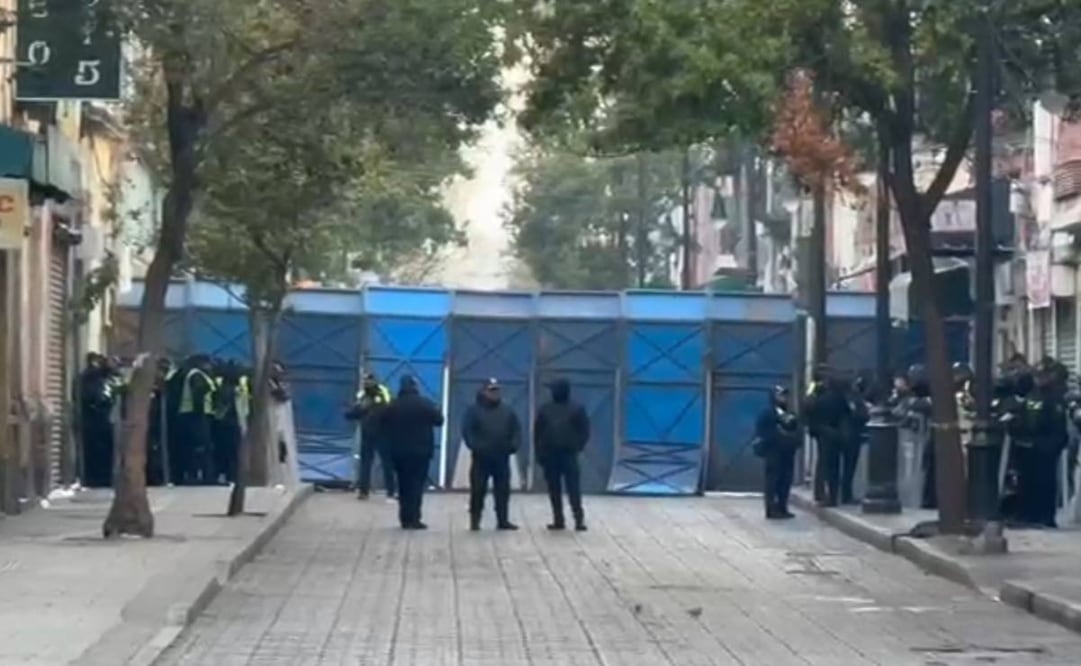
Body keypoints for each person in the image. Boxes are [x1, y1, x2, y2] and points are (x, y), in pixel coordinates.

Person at [381, 375, 444, 529]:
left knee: (403, 484)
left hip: (399, 452)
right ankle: (415, 518)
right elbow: (439, 420)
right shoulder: (425, 404)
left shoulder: (393, 405)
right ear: (415, 386)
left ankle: (404, 518)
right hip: (421, 452)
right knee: (417, 485)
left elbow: (381, 423)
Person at [462, 378, 522, 531]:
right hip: (481, 458)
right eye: (491, 390)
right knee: (478, 490)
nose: (495, 393)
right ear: (484, 391)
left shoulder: (507, 410)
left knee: (503, 491)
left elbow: (516, 430)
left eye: (497, 390)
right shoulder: (474, 410)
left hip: (502, 457)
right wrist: (476, 446)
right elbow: (468, 431)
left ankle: (503, 520)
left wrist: (513, 445)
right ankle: (475, 520)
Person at [534, 377, 590, 531]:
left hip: (568, 454)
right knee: (554, 488)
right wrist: (540, 453)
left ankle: (578, 518)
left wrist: (577, 446)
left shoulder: (576, 409)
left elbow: (584, 431)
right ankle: (558, 519)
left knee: (573, 488)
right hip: (550, 454)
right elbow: (538, 433)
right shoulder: (545, 409)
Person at [346, 372, 395, 500]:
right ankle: (364, 491)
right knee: (367, 462)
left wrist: (365, 411)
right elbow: (355, 410)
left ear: (375, 381)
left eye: (369, 381)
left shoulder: (383, 392)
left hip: (382, 432)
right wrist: (353, 412)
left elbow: (390, 409)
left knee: (385, 462)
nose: (367, 383)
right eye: (365, 381)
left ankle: (390, 491)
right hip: (369, 432)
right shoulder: (363, 394)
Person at [754, 385, 801, 519]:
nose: (784, 398)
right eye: (780, 395)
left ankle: (782, 507)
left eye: (785, 395)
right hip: (773, 453)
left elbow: (796, 429)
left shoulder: (789, 414)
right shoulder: (768, 413)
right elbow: (763, 432)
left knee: (785, 481)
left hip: (787, 452)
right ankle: (771, 509)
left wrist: (794, 441)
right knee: (773, 481)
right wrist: (778, 437)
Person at [804, 371, 849, 507]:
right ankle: (832, 496)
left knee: (823, 465)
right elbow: (846, 414)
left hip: (823, 435)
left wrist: (812, 390)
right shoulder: (840, 398)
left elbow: (808, 409)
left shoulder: (819, 399)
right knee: (834, 466)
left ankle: (821, 494)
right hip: (837, 435)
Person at [78, 353, 116, 487]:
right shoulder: (91, 379)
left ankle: (102, 479)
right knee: (97, 453)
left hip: (103, 423)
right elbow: (94, 399)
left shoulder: (105, 380)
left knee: (103, 453)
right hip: (95, 423)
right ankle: (97, 479)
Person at [178, 355, 216, 484]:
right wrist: (200, 416)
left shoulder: (197, 375)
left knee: (199, 447)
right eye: (207, 363)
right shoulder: (196, 375)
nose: (210, 366)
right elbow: (198, 395)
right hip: (196, 416)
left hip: (195, 415)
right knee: (202, 447)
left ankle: (199, 475)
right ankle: (204, 476)